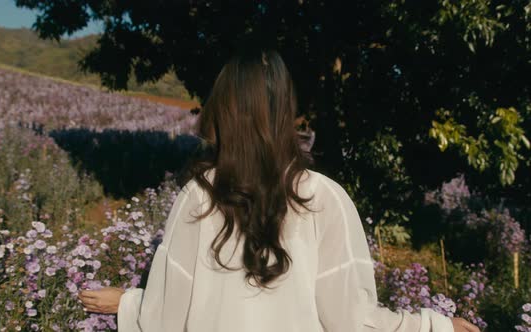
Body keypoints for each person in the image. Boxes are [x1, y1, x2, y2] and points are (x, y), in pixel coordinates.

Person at [78, 49, 481, 332]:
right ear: (287, 112)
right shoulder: (325, 198)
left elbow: (166, 318)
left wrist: (128, 303)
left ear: (222, 110)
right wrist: (435, 326)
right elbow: (353, 321)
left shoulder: (198, 197)